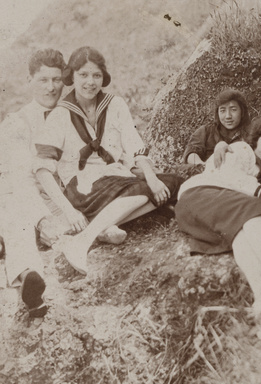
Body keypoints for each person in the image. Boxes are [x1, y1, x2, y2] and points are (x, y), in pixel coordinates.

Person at [34, 46, 182, 275]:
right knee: (144, 190)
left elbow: (135, 146)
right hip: (81, 187)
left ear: (104, 78)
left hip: (116, 179)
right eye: (83, 75)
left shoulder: (115, 104)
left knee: (172, 183)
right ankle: (83, 240)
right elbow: (42, 170)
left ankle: (101, 225)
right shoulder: (60, 114)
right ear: (71, 76)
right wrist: (69, 212)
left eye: (96, 75)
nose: (90, 82)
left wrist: (153, 178)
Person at [175, 116, 261, 321]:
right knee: (252, 208)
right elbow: (232, 176)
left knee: (241, 235)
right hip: (199, 193)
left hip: (206, 210)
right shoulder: (242, 150)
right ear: (255, 143)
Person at [0, 48, 69, 317]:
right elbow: (20, 179)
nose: (51, 88)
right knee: (14, 208)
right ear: (29, 80)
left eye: (56, 79)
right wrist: (41, 219)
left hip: (64, 202)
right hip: (28, 202)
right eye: (43, 80)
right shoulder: (17, 123)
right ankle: (30, 278)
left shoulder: (73, 114)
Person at [182, 88, 251, 165]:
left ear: (242, 112)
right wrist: (202, 165)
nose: (228, 116)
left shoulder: (251, 133)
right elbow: (191, 154)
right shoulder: (206, 131)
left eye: (233, 109)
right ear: (217, 113)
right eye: (222, 110)